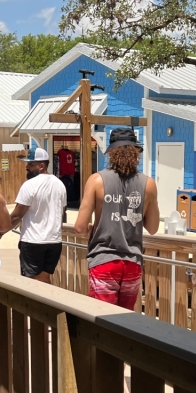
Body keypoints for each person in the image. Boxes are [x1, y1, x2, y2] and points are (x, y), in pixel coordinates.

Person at [75, 127, 160, 309]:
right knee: (124, 318)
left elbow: (80, 227)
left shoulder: (96, 180)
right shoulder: (148, 184)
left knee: (102, 316)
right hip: (132, 262)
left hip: (103, 260)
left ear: (111, 153)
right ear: (136, 152)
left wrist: (93, 227)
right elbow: (153, 228)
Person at [11, 146, 68, 283]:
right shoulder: (60, 184)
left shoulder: (29, 185)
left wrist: (0, 231)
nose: (27, 167)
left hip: (33, 241)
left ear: (42, 166)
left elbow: (17, 215)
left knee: (31, 284)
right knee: (44, 279)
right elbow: (62, 212)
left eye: (31, 164)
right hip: (54, 241)